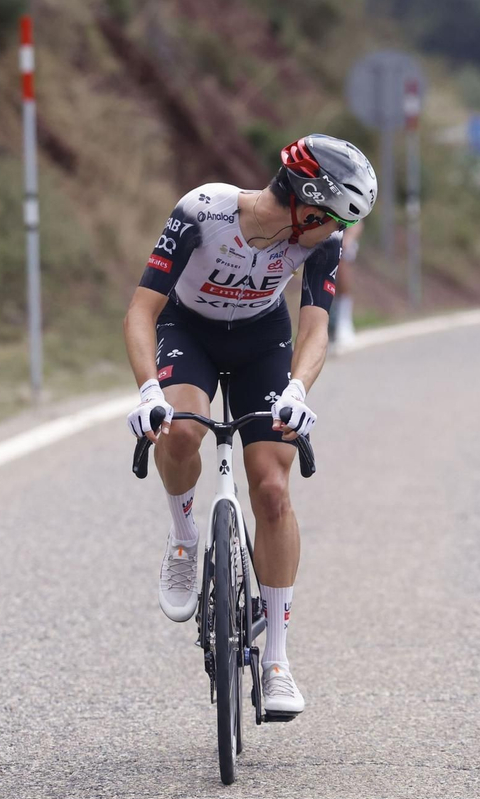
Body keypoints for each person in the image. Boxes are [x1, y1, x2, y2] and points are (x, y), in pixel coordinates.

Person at [123, 133, 377, 719]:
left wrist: (296, 388)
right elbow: (141, 311)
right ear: (306, 204)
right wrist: (146, 391)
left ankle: (278, 662)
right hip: (190, 334)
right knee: (182, 431)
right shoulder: (202, 211)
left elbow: (315, 325)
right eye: (334, 218)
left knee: (271, 486)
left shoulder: (320, 241)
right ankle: (185, 538)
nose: (337, 230)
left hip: (264, 342)